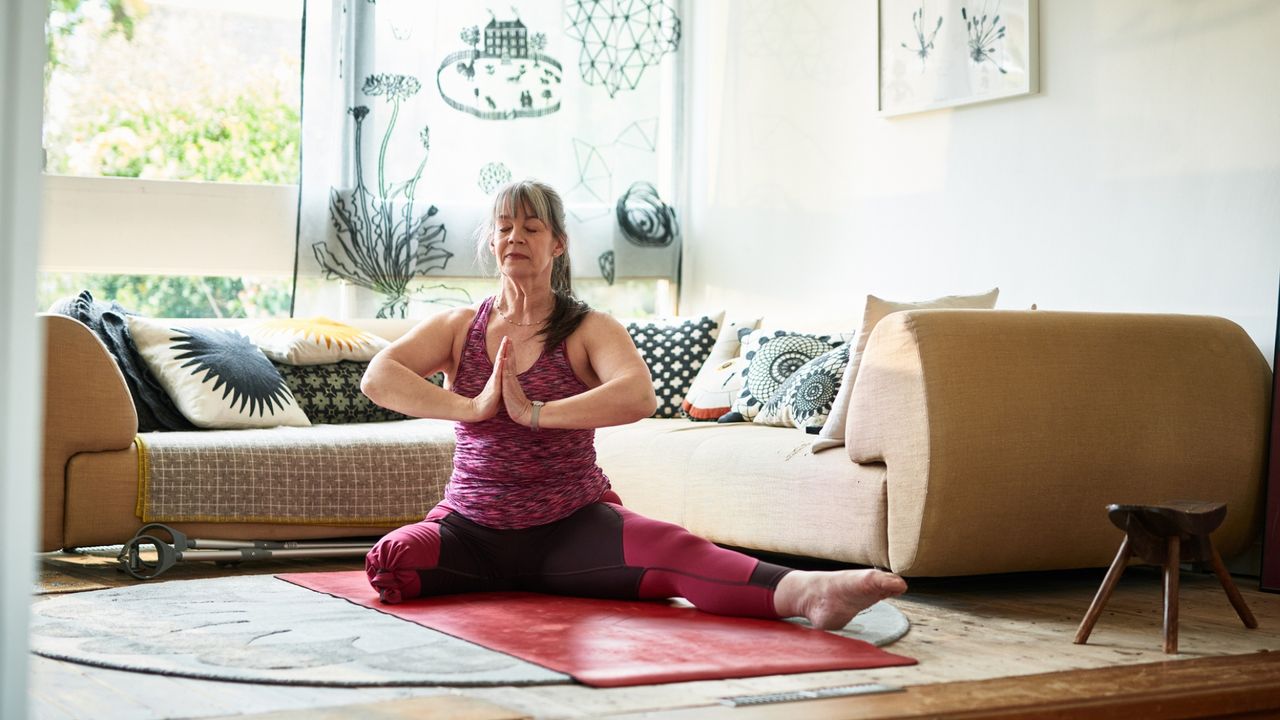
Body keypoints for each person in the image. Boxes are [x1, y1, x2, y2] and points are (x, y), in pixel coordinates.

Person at [361, 179, 906, 630]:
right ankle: (511, 575)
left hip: (570, 527)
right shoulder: (459, 327)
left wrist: (535, 413)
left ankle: (808, 593)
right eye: (504, 228)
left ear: (558, 244)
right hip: (470, 528)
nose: (515, 238)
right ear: (490, 242)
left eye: (531, 227)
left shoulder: (587, 328)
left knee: (676, 549)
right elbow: (378, 376)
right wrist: (472, 407)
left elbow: (636, 394)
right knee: (391, 565)